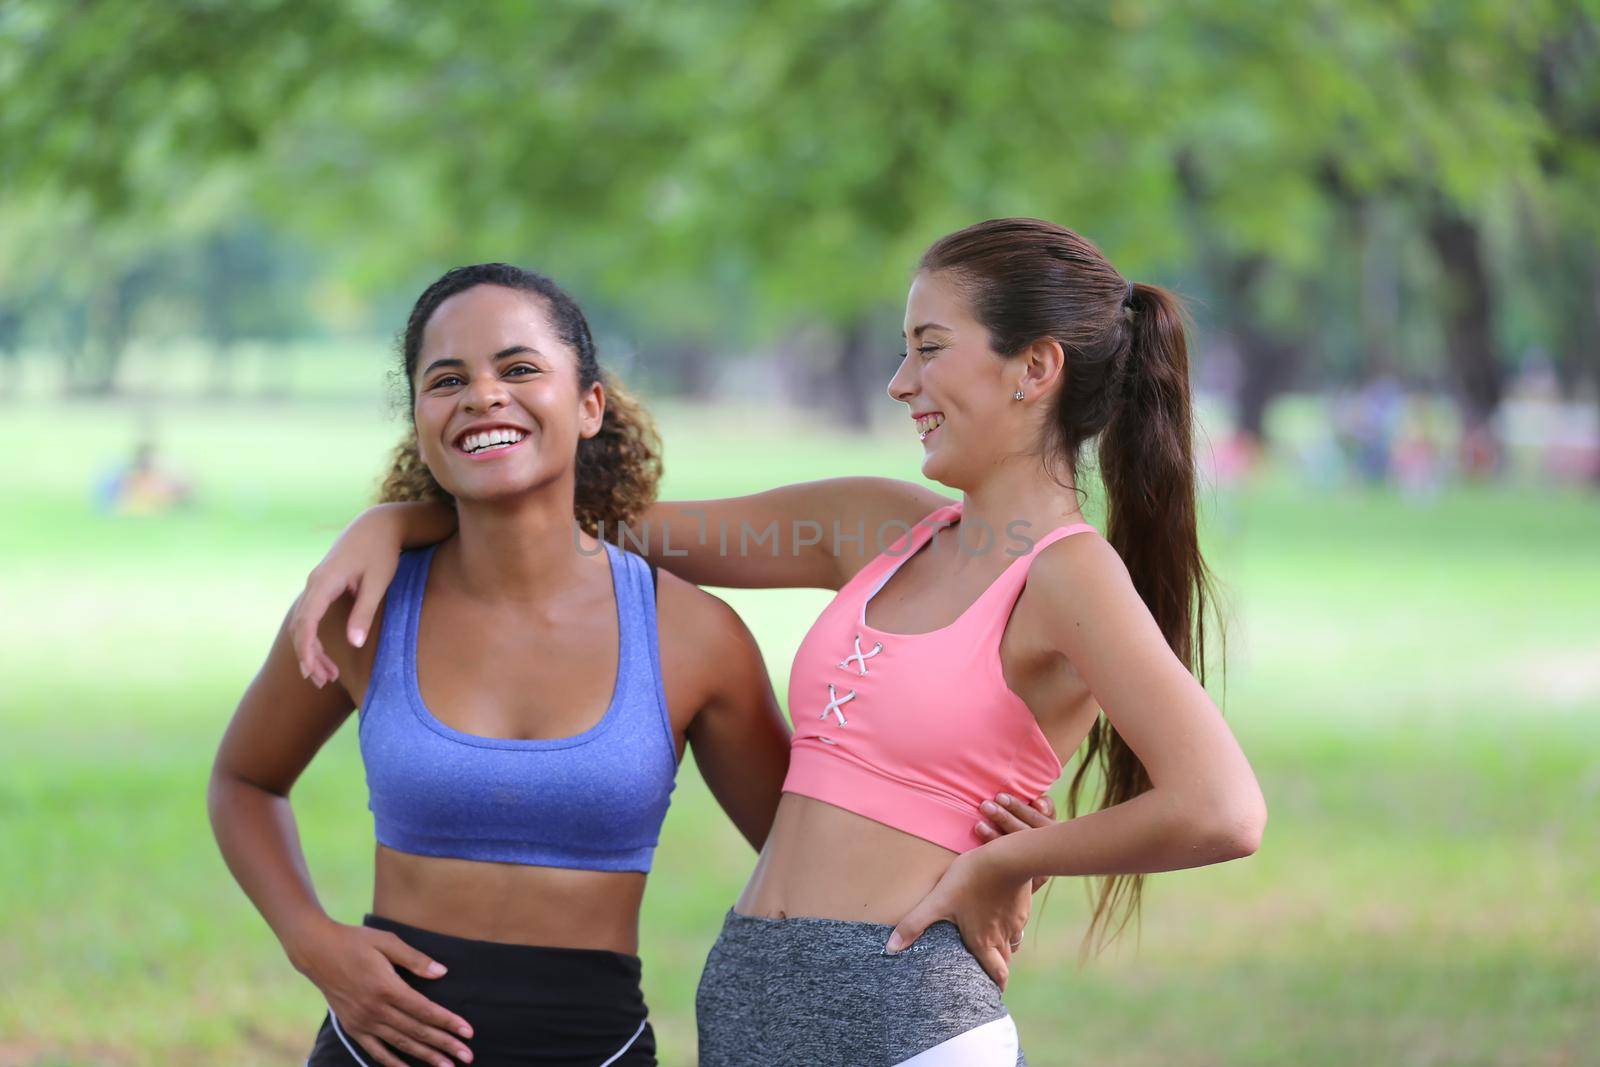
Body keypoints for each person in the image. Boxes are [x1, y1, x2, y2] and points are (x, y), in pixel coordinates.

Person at [290, 219, 1268, 1066]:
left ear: (1034, 367)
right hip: (750, 1004)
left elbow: (1220, 807)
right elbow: (571, 524)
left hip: (904, 1014)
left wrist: (1002, 864)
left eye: (929, 347)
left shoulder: (1065, 570)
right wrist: (391, 526)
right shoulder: (879, 526)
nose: (899, 382)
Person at [207, 264, 797, 1067]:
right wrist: (310, 939)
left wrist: (992, 859)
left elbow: (805, 853)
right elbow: (243, 780)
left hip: (595, 1047)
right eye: (446, 379)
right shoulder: (361, 609)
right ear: (420, 418)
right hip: (376, 1048)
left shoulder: (694, 635)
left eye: (519, 368)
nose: (483, 395)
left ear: (590, 405)